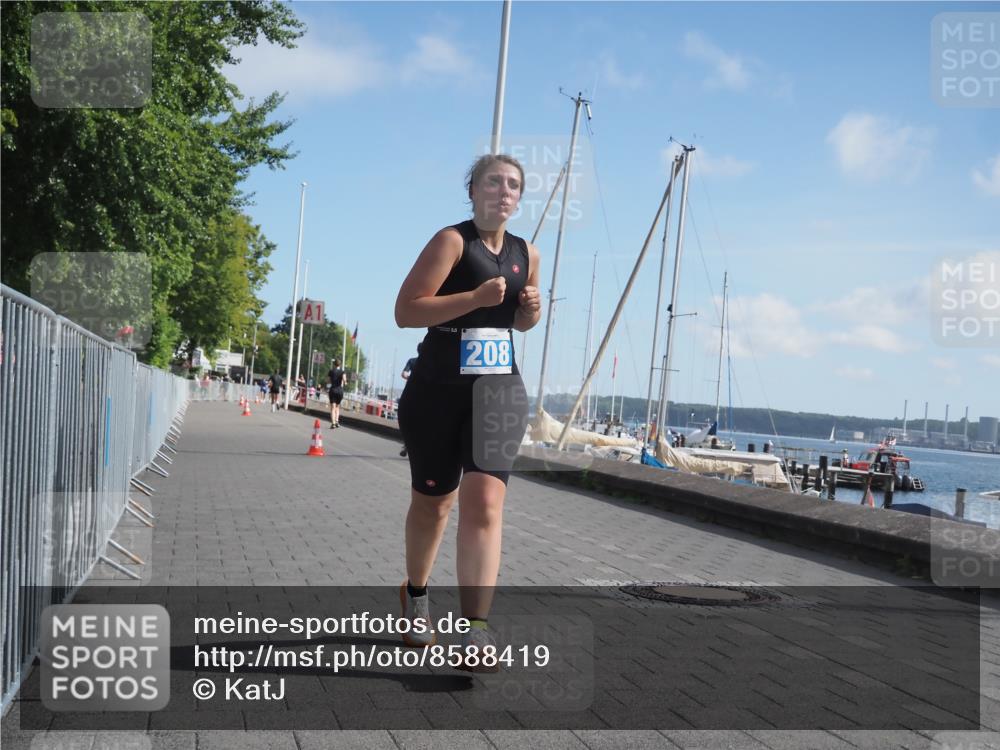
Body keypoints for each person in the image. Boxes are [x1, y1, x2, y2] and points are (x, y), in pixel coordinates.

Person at [393, 153, 541, 671]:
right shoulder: (451, 242)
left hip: (498, 388)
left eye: (514, 185)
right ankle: (415, 594)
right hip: (437, 388)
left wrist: (527, 316)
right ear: (473, 190)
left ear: (520, 197)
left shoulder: (528, 253)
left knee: (485, 503)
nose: (504, 191)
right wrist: (473, 296)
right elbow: (406, 311)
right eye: (494, 182)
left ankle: (476, 631)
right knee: (434, 504)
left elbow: (515, 325)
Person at [398, 346, 421, 456]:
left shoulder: (412, 361)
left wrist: (410, 378)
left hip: (411, 393)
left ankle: (407, 445)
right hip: (427, 395)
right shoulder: (431, 361)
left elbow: (403, 374)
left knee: (410, 420)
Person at [327, 359, 346, 428]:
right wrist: (345, 382)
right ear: (340, 364)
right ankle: (337, 421)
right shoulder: (342, 372)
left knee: (332, 407)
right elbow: (344, 380)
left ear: (334, 364)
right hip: (340, 391)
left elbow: (328, 381)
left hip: (333, 390)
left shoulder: (331, 371)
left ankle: (333, 423)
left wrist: (331, 381)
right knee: (337, 407)